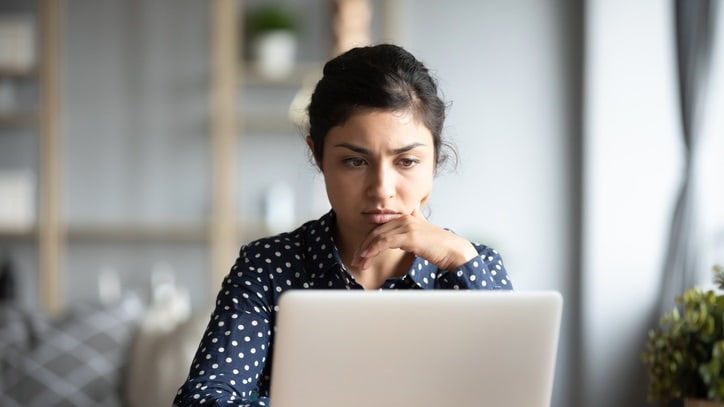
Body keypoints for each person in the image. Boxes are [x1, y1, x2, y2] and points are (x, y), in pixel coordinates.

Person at [173, 44, 512, 407]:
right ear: (318, 156)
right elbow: (205, 400)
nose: (381, 189)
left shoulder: (474, 266)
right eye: (354, 161)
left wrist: (461, 257)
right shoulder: (267, 268)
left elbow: (512, 396)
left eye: (407, 161)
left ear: (434, 160)